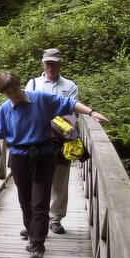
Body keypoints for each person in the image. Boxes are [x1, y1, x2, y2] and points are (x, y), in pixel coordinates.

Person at [0, 71, 109, 258]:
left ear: (20, 85)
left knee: (40, 201)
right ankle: (32, 235)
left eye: (14, 90)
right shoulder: (5, 109)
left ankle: (37, 247)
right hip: (19, 158)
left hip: (44, 156)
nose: (13, 95)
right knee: (25, 201)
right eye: (8, 93)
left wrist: (91, 112)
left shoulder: (40, 99)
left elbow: (69, 104)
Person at [25, 48, 78, 235]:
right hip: (36, 139)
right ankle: (38, 218)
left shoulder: (70, 86)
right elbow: (26, 109)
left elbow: (70, 111)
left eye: (54, 63)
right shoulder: (33, 84)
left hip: (60, 139)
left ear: (61, 63)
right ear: (42, 64)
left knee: (60, 179)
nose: (51, 66)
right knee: (35, 179)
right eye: (48, 63)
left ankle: (55, 218)